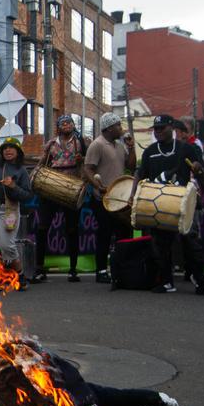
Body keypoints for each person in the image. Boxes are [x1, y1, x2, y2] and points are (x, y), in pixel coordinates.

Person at [131, 115, 204, 295]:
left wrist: (198, 168)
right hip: (160, 204)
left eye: (161, 128)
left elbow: (201, 170)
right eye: (155, 129)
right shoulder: (150, 151)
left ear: (171, 128)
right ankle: (167, 282)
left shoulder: (186, 148)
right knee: (161, 245)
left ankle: (200, 280)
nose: (157, 132)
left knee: (191, 243)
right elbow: (140, 174)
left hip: (182, 203)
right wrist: (133, 194)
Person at [83, 112, 136, 283]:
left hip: (120, 199)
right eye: (118, 125)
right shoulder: (97, 145)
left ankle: (122, 269)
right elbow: (88, 169)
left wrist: (132, 147)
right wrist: (97, 186)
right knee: (104, 234)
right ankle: (101, 271)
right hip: (102, 198)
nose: (121, 128)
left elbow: (130, 166)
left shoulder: (120, 145)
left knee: (124, 233)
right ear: (109, 128)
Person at [34, 115, 88, 282]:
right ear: (58, 127)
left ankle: (73, 269)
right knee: (42, 228)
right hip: (50, 186)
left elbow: (90, 162)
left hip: (71, 187)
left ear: (73, 125)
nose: (66, 125)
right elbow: (42, 163)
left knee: (72, 229)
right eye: (63, 123)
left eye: (69, 123)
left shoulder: (82, 141)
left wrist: (83, 159)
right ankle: (39, 268)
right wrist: (35, 174)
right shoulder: (51, 143)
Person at [0, 137, 33, 288]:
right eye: (5, 148)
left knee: (7, 246)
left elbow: (28, 195)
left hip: (8, 211)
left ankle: (20, 274)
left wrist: (13, 186)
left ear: (18, 151)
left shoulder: (21, 171)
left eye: (12, 147)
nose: (8, 150)